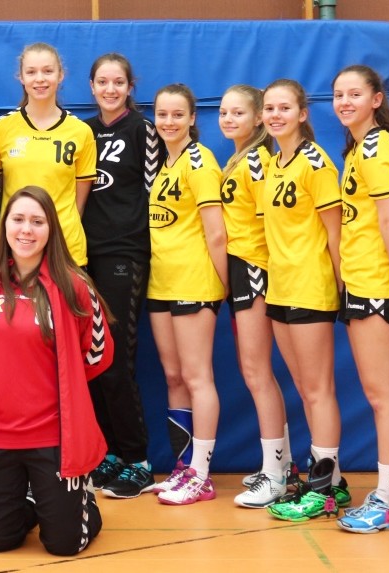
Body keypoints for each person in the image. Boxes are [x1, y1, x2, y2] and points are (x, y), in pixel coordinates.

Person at [0, 186, 113, 556]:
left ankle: (81, 499)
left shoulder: (74, 285)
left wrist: (65, 384)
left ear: (51, 229)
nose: (27, 229)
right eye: (19, 219)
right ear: (5, 226)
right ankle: (31, 497)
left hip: (54, 437)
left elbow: (98, 354)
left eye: (37, 222)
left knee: (64, 545)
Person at [330, 65, 389, 534]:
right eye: (338, 95)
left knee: (383, 397)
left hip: (377, 284)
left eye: (354, 94)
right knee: (378, 394)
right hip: (361, 281)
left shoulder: (378, 148)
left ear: (376, 100)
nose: (345, 102)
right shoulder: (359, 148)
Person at [258, 79, 351, 522]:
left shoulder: (316, 163)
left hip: (311, 287)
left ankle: (324, 489)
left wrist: (343, 287)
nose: (275, 115)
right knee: (304, 387)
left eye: (284, 108)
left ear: (302, 113)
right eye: (269, 108)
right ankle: (332, 480)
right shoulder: (273, 163)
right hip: (280, 287)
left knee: (318, 389)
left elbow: (336, 233)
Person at [145, 84, 227, 506]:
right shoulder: (164, 164)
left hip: (194, 283)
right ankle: (182, 467)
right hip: (161, 284)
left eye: (178, 114)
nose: (169, 122)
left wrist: (224, 288)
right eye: (162, 114)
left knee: (197, 378)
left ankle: (201, 474)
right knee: (174, 377)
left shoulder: (200, 161)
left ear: (193, 118)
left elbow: (217, 233)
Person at [82, 53, 159, 499]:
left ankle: (139, 461)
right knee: (91, 361)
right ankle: (110, 451)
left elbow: (154, 191)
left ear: (130, 87)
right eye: (102, 81)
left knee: (116, 360)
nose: (110, 89)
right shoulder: (83, 132)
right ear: (91, 86)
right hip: (84, 256)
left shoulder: (142, 130)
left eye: (118, 82)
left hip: (124, 254)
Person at [217, 84, 295, 509]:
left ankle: (275, 474)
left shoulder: (259, 162)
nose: (229, 119)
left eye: (238, 113)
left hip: (255, 269)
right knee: (256, 371)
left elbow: (273, 224)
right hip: (242, 268)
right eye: (224, 112)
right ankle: (280, 466)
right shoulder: (238, 159)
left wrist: (266, 274)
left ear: (258, 119)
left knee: (256, 371)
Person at [0, 42, 96, 266]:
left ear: (60, 75)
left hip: (66, 250)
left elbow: (79, 204)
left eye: (48, 71)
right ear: (21, 77)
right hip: (16, 249)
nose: (40, 79)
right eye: (31, 72)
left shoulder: (81, 132)